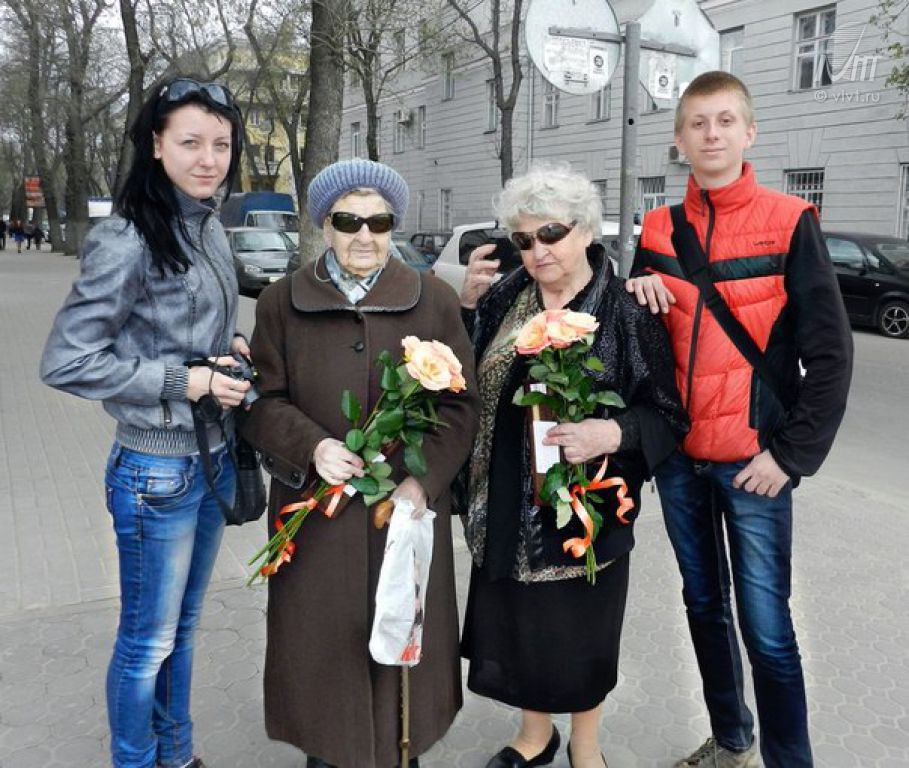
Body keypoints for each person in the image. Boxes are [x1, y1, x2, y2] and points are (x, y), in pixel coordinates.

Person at [627, 71, 853, 768]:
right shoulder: (658, 228)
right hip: (679, 461)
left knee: (768, 631)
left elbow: (831, 354)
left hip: (754, 463)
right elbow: (635, 339)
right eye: (697, 123)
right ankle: (731, 741)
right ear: (678, 140)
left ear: (749, 132)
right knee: (703, 608)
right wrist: (634, 289)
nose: (712, 134)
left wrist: (789, 457)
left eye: (725, 121)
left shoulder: (790, 220)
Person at [241, 158, 481, 768]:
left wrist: (423, 483)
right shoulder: (280, 303)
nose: (365, 236)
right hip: (316, 512)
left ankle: (402, 752)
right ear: (326, 226)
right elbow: (261, 402)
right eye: (349, 221)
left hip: (402, 511)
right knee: (321, 646)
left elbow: (460, 405)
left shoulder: (433, 300)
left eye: (380, 222)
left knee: (403, 647)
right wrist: (312, 446)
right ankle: (327, 752)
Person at [40, 76, 247, 768]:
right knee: (146, 641)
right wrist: (184, 380)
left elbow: (181, 327)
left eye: (221, 144)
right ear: (156, 145)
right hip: (156, 472)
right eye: (190, 142)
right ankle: (135, 760)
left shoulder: (207, 225)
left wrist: (229, 347)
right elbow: (67, 360)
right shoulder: (126, 238)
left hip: (213, 456)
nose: (208, 159)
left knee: (182, 630)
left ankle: (177, 755)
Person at [458, 164, 689, 768]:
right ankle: (536, 736)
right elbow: (465, 373)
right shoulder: (506, 297)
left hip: (587, 506)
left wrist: (611, 431)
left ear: (586, 230)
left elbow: (668, 416)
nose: (537, 250)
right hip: (504, 495)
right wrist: (465, 307)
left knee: (580, 632)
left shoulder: (627, 309)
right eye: (523, 239)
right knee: (517, 626)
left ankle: (587, 748)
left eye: (551, 233)